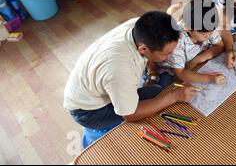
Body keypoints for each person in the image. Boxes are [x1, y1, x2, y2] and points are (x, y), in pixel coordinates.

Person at [63, 11, 197, 130]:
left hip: (95, 83)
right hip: (89, 111)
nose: (170, 56)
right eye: (167, 53)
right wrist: (174, 97)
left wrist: (152, 74)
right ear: (143, 49)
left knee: (156, 90)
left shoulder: (137, 26)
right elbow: (130, 115)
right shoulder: (119, 68)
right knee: (158, 96)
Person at [164, 0, 225, 84]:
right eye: (203, 34)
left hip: (191, 61)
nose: (208, 36)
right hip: (169, 69)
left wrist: (197, 60)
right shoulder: (176, 42)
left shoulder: (207, 26)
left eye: (211, 32)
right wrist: (210, 79)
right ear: (187, 28)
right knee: (166, 84)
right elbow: (180, 74)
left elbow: (220, 46)